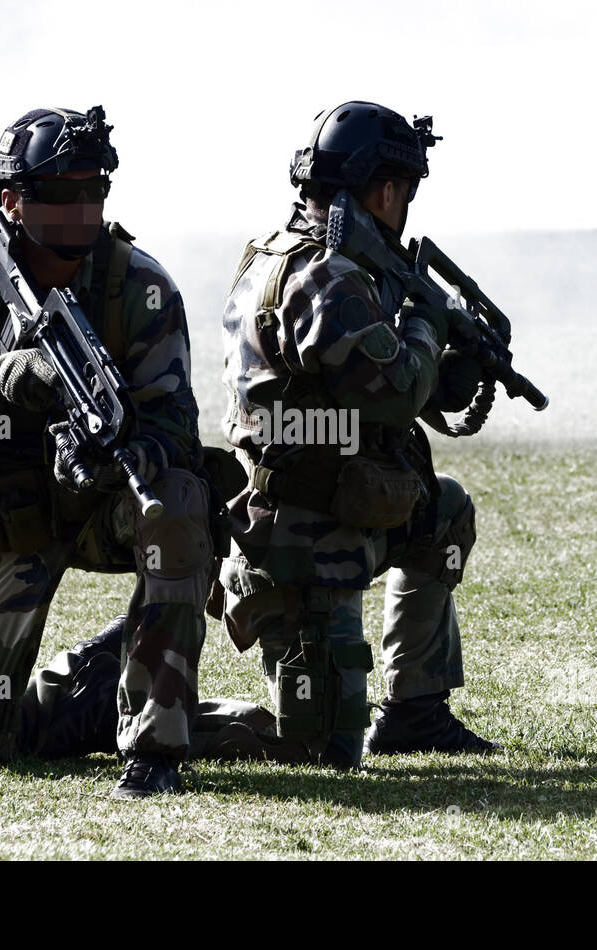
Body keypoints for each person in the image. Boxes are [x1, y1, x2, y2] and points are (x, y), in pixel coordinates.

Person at [0, 106, 213, 799]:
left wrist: (119, 456)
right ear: (11, 200)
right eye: (61, 194)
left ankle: (154, 749)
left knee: (177, 503)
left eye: (95, 191)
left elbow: (175, 430)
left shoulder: (139, 288)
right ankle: (105, 675)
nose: (81, 211)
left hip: (97, 507)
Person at [212, 101, 498, 769]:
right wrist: (430, 325)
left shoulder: (294, 256)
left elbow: (366, 393)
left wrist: (448, 372)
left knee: (443, 511)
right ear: (387, 189)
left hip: (339, 512)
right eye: (404, 190)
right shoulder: (329, 276)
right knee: (325, 750)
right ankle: (135, 719)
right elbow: (396, 388)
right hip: (299, 544)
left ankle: (415, 711)